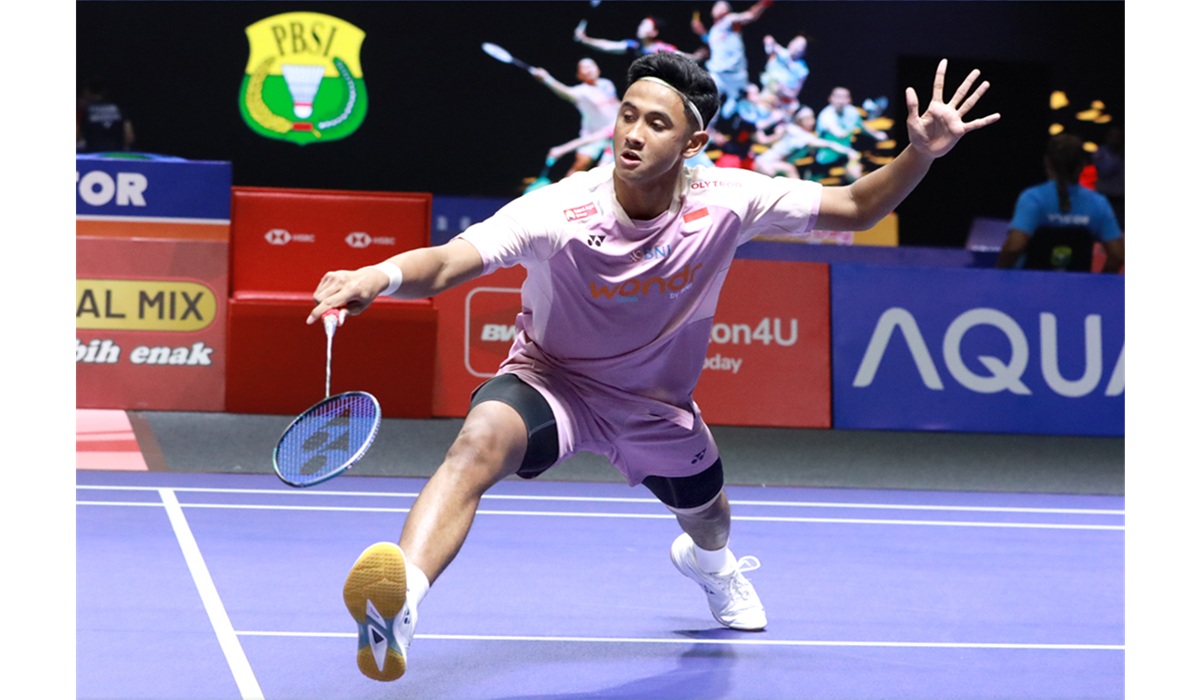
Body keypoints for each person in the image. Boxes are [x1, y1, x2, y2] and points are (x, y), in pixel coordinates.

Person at [311, 51, 999, 683]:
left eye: (656, 123)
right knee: (477, 444)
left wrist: (919, 153)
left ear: (693, 143)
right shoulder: (560, 208)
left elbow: (856, 206)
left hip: (655, 406)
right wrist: (379, 275)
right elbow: (448, 262)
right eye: (628, 115)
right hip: (552, 383)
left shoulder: (728, 198)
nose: (632, 134)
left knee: (711, 520)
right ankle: (400, 603)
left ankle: (710, 566)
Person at [997, 133, 1124, 272]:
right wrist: (1097, 282)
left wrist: (999, 275)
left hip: (1031, 284)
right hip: (1077, 285)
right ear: (1083, 165)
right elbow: (1117, 255)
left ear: (1047, 162)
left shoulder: (1032, 198)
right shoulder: (1098, 203)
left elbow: (1014, 247)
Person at [529, 58, 620, 177]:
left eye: (591, 66)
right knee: (580, 166)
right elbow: (565, 92)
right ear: (579, 75)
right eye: (584, 68)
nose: (589, 69)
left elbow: (616, 102)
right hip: (593, 132)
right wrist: (547, 79)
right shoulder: (580, 91)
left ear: (598, 69)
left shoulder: (607, 84)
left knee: (605, 170)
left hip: (614, 132)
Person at [690, 0, 772, 119]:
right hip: (718, 73)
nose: (717, 8)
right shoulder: (713, 31)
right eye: (716, 6)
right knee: (707, 102)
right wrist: (702, 32)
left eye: (721, 6)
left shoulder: (729, 20)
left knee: (739, 109)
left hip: (735, 75)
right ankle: (707, 126)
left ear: (726, 10)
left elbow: (750, 15)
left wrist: (763, 3)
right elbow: (713, 44)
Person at [754, 105, 858, 180]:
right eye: (807, 118)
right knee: (790, 170)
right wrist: (848, 151)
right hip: (765, 165)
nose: (812, 121)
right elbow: (829, 144)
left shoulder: (794, 131)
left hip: (769, 165)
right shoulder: (800, 135)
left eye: (812, 117)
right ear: (798, 120)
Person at [814, 85, 887, 182]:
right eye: (838, 97)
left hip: (846, 154)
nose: (841, 101)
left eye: (844, 97)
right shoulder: (825, 115)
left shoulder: (853, 112)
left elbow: (862, 127)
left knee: (855, 175)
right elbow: (836, 131)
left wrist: (876, 134)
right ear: (831, 98)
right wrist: (840, 133)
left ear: (849, 99)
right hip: (825, 158)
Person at [574, 16, 706, 60]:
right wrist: (586, 40)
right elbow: (608, 46)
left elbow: (682, 57)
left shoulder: (661, 48)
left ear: (654, 32)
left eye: (645, 25)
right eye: (641, 24)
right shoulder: (634, 45)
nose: (640, 27)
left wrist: (697, 57)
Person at [77, 81, 135, 153]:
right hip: (116, 155)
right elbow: (129, 137)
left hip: (94, 155)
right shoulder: (119, 109)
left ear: (87, 92)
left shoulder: (86, 111)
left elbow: (77, 136)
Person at [760, 33, 810, 112]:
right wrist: (769, 42)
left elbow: (794, 94)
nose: (797, 48)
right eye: (796, 43)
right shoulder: (781, 53)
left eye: (801, 46)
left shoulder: (802, 70)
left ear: (804, 51)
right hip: (768, 93)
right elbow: (768, 40)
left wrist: (784, 90)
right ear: (791, 43)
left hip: (784, 102)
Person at [1091, 125, 1124, 231]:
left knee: (1120, 226)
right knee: (1102, 225)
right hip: (1104, 195)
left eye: (1118, 137)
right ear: (1107, 137)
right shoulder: (1100, 152)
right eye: (1113, 136)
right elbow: (1105, 170)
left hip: (1121, 197)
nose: (1115, 139)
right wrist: (1118, 155)